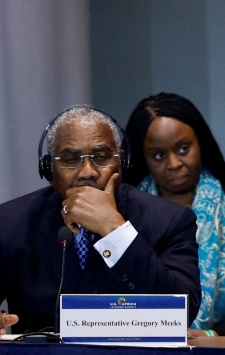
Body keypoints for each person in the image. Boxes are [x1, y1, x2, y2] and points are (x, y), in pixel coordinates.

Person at [0, 105, 201, 334]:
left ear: (122, 164)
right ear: (49, 170)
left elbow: (180, 313)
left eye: (101, 157)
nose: (88, 172)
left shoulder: (168, 220)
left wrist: (115, 230)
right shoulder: (10, 223)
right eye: (70, 159)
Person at [124, 93, 225, 337]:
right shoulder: (123, 214)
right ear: (142, 158)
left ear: (200, 143)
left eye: (183, 148)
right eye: (159, 155)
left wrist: (214, 337)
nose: (174, 163)